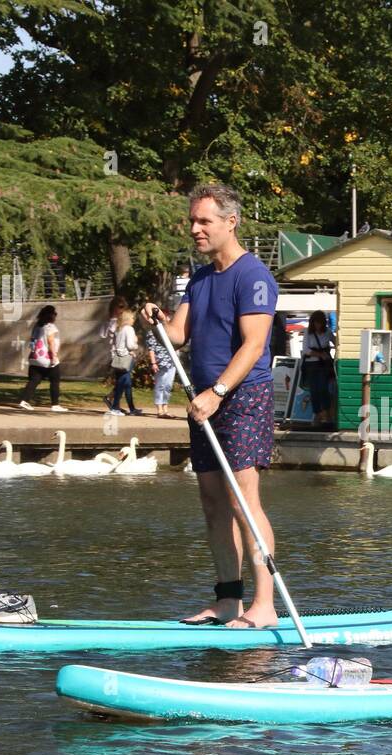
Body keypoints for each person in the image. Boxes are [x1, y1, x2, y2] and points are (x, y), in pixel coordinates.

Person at [144, 183, 280, 629]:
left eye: (205, 221)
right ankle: (227, 601)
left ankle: (265, 606)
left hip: (241, 398)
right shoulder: (200, 278)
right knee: (212, 503)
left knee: (244, 501)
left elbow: (255, 344)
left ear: (230, 222)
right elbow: (179, 333)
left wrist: (217, 392)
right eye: (193, 221)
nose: (196, 229)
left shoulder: (253, 276)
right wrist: (158, 322)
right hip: (203, 401)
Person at [18, 305, 68, 411]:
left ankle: (24, 401)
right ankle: (55, 404)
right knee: (55, 380)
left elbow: (32, 341)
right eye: (54, 314)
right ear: (51, 316)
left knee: (34, 380)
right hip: (46, 358)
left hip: (34, 357)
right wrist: (54, 356)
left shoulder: (37, 326)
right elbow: (51, 342)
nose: (56, 316)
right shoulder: (50, 327)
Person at [105, 307, 142, 417]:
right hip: (126, 359)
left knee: (126, 384)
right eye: (132, 317)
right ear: (128, 318)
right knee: (122, 384)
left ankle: (131, 408)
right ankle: (115, 407)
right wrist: (136, 344)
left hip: (119, 359)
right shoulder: (129, 329)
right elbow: (130, 345)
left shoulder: (119, 329)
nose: (133, 319)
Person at [141, 309, 178, 417]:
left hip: (171, 363)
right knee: (160, 385)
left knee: (168, 386)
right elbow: (151, 349)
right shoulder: (153, 332)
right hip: (160, 363)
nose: (168, 318)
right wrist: (153, 363)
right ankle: (159, 409)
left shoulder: (170, 332)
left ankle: (165, 408)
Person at [302, 310, 335, 426]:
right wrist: (320, 354)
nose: (318, 325)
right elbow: (305, 350)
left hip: (324, 365)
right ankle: (317, 414)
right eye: (316, 322)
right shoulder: (307, 332)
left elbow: (337, 342)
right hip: (311, 364)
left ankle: (327, 414)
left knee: (323, 389)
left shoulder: (328, 332)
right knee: (314, 390)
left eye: (320, 323)